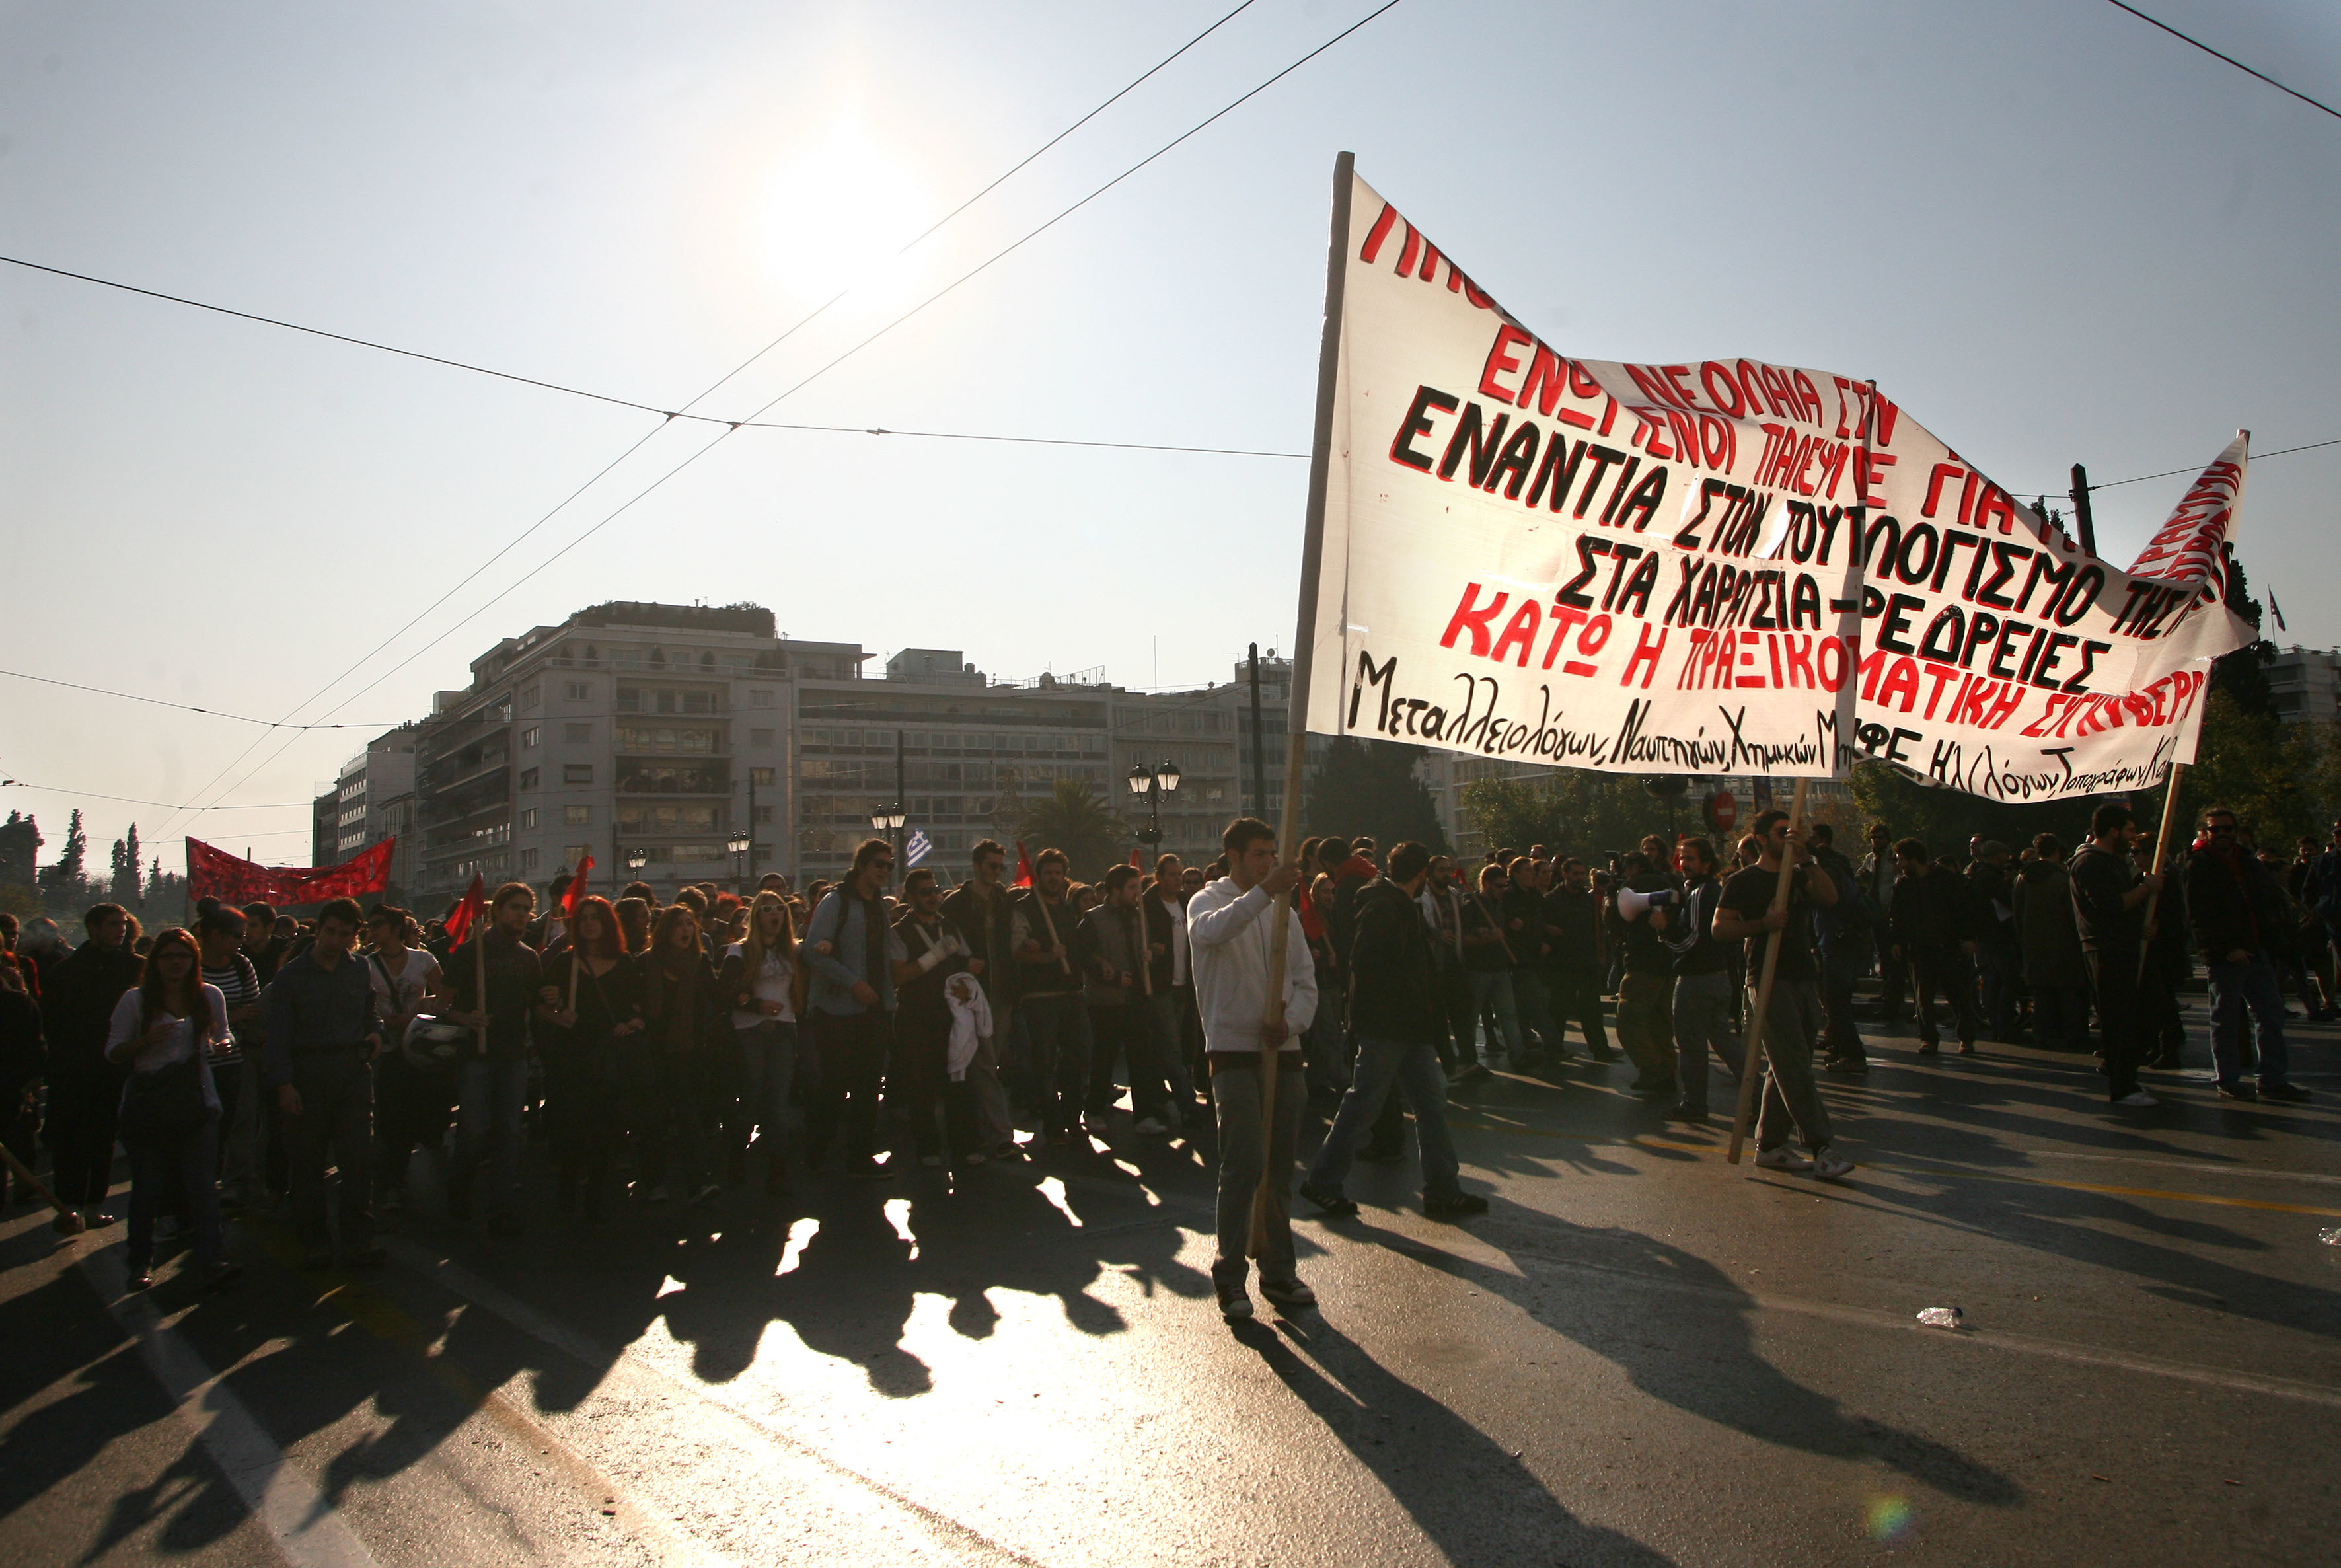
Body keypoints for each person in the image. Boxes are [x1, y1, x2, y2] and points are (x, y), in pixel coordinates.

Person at [1300, 841, 1487, 1221]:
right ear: (1420, 875)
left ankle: (1443, 1190)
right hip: (1389, 1024)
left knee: (1430, 1104)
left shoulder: (1394, 903)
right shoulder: (1386, 906)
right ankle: (1323, 1181)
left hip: (1408, 1024)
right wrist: (1410, 996)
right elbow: (1371, 965)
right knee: (1364, 1103)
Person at [1189, 817, 1318, 1320]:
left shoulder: (1282, 909)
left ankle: (1279, 1270)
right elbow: (1212, 932)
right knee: (1243, 1160)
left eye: (1271, 853)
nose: (1268, 860)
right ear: (1235, 857)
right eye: (1259, 853)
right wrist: (1264, 892)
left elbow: (1306, 979)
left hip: (1280, 1048)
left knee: (1280, 1165)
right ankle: (1229, 1275)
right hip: (1233, 1049)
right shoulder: (1207, 900)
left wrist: (1289, 1021)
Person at [1711, 809, 1852, 1179]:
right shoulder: (1745, 880)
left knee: (1789, 1063)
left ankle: (1771, 1145)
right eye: (1780, 832)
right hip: (1768, 979)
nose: (1790, 837)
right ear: (1761, 839)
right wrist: (1762, 925)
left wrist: (1807, 860)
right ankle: (1822, 1145)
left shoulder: (1798, 874)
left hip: (1804, 977)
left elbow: (1830, 898)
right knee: (1793, 1063)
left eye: (1794, 831)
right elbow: (1720, 928)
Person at [107, 928, 241, 1291]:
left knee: (201, 1187)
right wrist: (145, 1042)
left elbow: (223, 1033)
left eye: (184, 956)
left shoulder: (208, 995)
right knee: (148, 1188)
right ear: (156, 961)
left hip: (196, 1102)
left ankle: (212, 1258)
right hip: (149, 1104)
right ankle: (139, 1262)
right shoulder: (136, 1001)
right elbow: (114, 1050)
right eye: (169, 956)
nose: (177, 963)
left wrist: (223, 1043)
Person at [262, 899, 385, 1268]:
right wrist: (284, 1084)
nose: (336, 939)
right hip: (308, 1073)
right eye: (330, 931)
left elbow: (369, 1011)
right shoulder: (291, 977)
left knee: (357, 1161)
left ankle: (358, 1240)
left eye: (345, 934)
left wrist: (375, 1032)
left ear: (355, 936)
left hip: (351, 1070)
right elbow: (278, 1036)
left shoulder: (360, 968)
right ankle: (314, 1240)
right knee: (309, 1164)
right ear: (319, 930)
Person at [2186, 807, 2310, 1101]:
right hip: (2224, 956)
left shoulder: (2247, 861)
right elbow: (2198, 916)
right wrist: (2226, 949)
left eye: (2228, 828)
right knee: (2226, 1020)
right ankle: (2227, 1078)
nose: (2223, 834)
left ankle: (2271, 1077)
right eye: (2215, 829)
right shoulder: (2197, 865)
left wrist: (2274, 941)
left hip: (2257, 950)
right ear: (2204, 832)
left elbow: (2264, 901)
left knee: (2272, 1014)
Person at [533, 895, 644, 1218]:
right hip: (571, 1056)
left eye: (596, 917)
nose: (590, 923)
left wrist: (630, 1024)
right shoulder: (566, 963)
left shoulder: (624, 963)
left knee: (606, 1131)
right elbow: (539, 1003)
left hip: (608, 1056)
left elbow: (636, 1011)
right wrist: (556, 1011)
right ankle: (567, 1194)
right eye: (583, 918)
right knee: (572, 1130)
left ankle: (596, 1194)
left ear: (608, 923)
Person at [442, 882, 542, 1230]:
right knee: (474, 1130)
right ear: (496, 911)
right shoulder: (472, 952)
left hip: (513, 1055)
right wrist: (467, 1018)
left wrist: (555, 1003)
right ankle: (459, 1188)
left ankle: (500, 1204)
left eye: (525, 909)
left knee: (510, 1131)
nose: (520, 914)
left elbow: (538, 1003)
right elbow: (441, 1005)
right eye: (514, 907)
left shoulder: (529, 957)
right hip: (477, 1056)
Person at [803, 839, 905, 1177]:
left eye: (889, 865)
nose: (884, 870)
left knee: (866, 1087)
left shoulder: (877, 904)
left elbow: (888, 951)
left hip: (874, 1009)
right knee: (833, 1085)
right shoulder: (836, 901)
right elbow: (813, 952)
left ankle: (859, 1157)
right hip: (836, 1010)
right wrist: (854, 983)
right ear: (861, 865)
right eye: (879, 864)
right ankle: (816, 1152)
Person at [42, 903, 144, 1228]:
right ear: (93, 928)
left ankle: (93, 1203)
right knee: (69, 1139)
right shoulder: (66, 972)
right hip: (73, 1069)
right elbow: (52, 1024)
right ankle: (68, 1204)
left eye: (123, 924)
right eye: (113, 924)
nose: (121, 930)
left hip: (117, 1068)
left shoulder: (137, 969)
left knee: (104, 1138)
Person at [2069, 802, 2162, 1107]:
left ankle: (2120, 1070)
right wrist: (2146, 888)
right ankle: (2122, 1086)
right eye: (2130, 830)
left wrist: (2140, 930)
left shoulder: (2112, 861)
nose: (2134, 837)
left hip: (2121, 945)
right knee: (2118, 1018)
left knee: (2133, 1016)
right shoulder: (2090, 863)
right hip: (2105, 948)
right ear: (2113, 831)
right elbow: (2111, 907)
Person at [939, 839, 1026, 1162]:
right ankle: (1000, 1134)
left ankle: (978, 1129)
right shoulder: (955, 904)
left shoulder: (1004, 900)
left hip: (1001, 992)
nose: (996, 872)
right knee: (982, 1064)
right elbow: (945, 948)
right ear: (976, 866)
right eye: (992, 865)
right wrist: (963, 967)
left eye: (1001, 866)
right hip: (969, 995)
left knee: (986, 1063)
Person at [890, 869, 977, 1168]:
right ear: (911, 897)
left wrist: (968, 981)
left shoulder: (949, 925)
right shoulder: (900, 930)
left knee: (958, 1084)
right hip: (916, 1016)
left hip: (950, 1016)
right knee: (922, 1087)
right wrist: (933, 958)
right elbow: (898, 974)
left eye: (935, 890)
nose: (933, 896)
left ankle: (963, 1147)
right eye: (925, 892)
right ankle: (928, 1148)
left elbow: (967, 962)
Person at [718, 889, 801, 1194]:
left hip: (784, 1028)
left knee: (778, 1101)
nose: (774, 914)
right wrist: (756, 1005)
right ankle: (737, 1159)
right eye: (766, 909)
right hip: (750, 1029)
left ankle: (778, 1171)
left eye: (779, 909)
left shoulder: (791, 950)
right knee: (751, 1095)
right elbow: (725, 990)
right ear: (756, 917)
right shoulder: (739, 951)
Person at [1010, 848, 1095, 1147]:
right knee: (1044, 1062)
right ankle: (1053, 1123)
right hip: (1040, 996)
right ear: (1039, 875)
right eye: (1048, 873)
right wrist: (1048, 956)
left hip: (1072, 993)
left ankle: (1072, 1117)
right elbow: (1017, 951)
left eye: (1058, 873)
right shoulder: (1025, 908)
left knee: (1081, 1056)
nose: (1053, 878)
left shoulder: (1067, 909)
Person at [359, 905, 441, 1214]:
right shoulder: (365, 965)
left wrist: (422, 1013)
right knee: (384, 1119)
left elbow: (445, 994)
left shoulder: (423, 959)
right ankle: (387, 1183)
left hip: (415, 1048)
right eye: (370, 925)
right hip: (382, 1051)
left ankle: (401, 1173)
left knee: (408, 1116)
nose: (373, 930)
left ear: (395, 928)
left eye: (378, 925)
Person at [1660, 836, 1738, 1120]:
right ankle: (1758, 1092)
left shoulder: (1700, 893)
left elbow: (1692, 940)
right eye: (1682, 858)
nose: (1684, 865)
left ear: (1706, 863)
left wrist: (1665, 931)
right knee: (1723, 1040)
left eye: (1691, 859)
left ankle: (1694, 1104)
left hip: (1696, 979)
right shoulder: (1708, 890)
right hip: (1716, 976)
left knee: (1691, 1044)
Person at [196, 906, 266, 1213]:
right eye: (237, 936)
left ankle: (235, 1184)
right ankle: (198, 1185)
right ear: (215, 935)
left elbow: (254, 1007)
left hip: (237, 1058)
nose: (242, 941)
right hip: (196, 1063)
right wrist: (231, 1016)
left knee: (242, 1120)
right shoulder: (191, 965)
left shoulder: (241, 965)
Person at [1888, 840, 1985, 1057]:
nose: (1899, 864)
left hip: (1947, 945)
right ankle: (1928, 1038)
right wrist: (1897, 941)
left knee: (1958, 994)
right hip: (1919, 948)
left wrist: (1967, 937)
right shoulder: (1904, 885)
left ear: (1914, 859)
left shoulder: (1946, 880)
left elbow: (1963, 910)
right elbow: (1897, 916)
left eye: (1901, 859)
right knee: (1923, 998)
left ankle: (1966, 1038)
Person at [1080, 865, 1154, 1135]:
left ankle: (1144, 1115)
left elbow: (1143, 950)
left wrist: (1150, 956)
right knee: (1105, 1056)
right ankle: (1095, 1109)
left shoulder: (1139, 917)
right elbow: (1086, 957)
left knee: (1140, 1057)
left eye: (1138, 887)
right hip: (1106, 1000)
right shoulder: (1093, 919)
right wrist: (1110, 977)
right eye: (1132, 888)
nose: (1137, 894)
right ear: (1115, 890)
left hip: (1136, 997)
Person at [2013, 835, 2091, 1053]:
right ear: (2057, 851)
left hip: (2033, 944)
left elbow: (2017, 913)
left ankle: (2042, 1034)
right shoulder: (2062, 879)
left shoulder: (2022, 879)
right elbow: (2073, 914)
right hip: (2063, 944)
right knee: (2068, 993)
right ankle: (2073, 1035)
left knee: (2042, 994)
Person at [1805, 823, 1872, 1072]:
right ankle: (1842, 1047)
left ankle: (1854, 1055)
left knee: (1836, 1004)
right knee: (1838, 1002)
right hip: (1845, 942)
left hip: (1837, 943)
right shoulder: (1842, 872)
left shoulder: (1827, 877)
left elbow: (1824, 903)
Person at [1612, 853, 1679, 1097]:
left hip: (1643, 964)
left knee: (1629, 1019)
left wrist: (1612, 893)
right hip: (1667, 964)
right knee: (1659, 1023)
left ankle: (1652, 1069)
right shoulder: (1669, 882)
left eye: (1624, 869)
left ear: (1633, 867)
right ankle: (1667, 1071)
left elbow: (1616, 919)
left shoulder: (1634, 886)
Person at [1543, 857, 1614, 1062]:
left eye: (1582, 874)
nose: (1579, 878)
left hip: (1587, 961)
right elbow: (1544, 929)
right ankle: (1555, 1050)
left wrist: (1601, 954)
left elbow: (1598, 928)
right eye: (1575, 874)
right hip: (1562, 962)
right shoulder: (1552, 900)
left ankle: (1600, 1050)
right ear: (1565, 875)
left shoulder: (1589, 899)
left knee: (1592, 1009)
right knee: (1558, 1010)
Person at [1459, 862, 1525, 1071]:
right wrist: (1488, 938)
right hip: (1478, 970)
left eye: (1506, 885)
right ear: (1486, 884)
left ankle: (1519, 1055)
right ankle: (1468, 1059)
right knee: (1471, 1018)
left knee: (1508, 1015)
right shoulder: (1471, 905)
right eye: (1499, 886)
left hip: (1500, 968)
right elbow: (1466, 939)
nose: (1504, 890)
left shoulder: (1501, 904)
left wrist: (1511, 926)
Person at [1965, 841, 2023, 1041]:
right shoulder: (1992, 879)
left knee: (1992, 982)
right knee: (2007, 980)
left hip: (1985, 936)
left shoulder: (1978, 876)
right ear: (1997, 855)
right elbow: (2007, 903)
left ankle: (1997, 1026)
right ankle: (2004, 1025)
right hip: (1998, 935)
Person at [1856, 824, 1907, 1022]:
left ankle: (1894, 992)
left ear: (1888, 839)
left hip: (1889, 909)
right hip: (1874, 910)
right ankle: (1886, 987)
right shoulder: (1870, 858)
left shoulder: (1892, 857)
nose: (1876, 841)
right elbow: (1862, 875)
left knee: (1891, 954)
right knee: (1882, 953)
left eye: (1880, 837)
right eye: (1873, 837)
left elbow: (1899, 877)